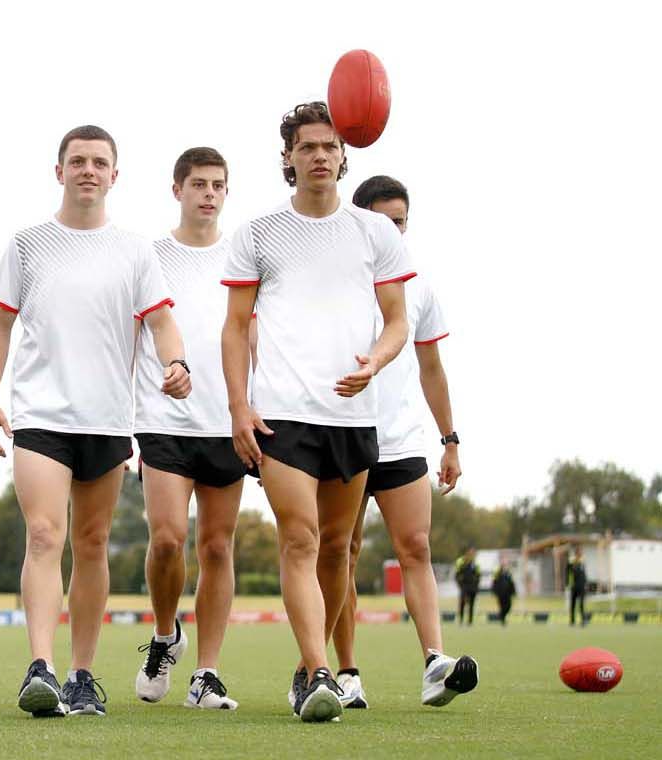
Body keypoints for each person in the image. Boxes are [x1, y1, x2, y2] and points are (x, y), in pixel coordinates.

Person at [0, 125, 190, 718]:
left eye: (100, 162)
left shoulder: (135, 251)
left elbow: (161, 322)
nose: (89, 171)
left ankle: (80, 675)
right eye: (78, 161)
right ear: (60, 170)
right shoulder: (28, 245)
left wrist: (176, 362)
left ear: (115, 176)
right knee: (45, 535)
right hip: (41, 416)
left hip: (106, 420)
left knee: (92, 543)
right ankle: (40, 668)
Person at [221, 102, 412, 723]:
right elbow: (235, 327)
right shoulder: (257, 233)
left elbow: (397, 322)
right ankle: (320, 669)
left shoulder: (375, 232)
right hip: (282, 416)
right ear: (288, 158)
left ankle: (306, 672)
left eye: (329, 146)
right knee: (299, 538)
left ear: (344, 154)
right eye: (308, 147)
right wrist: (238, 407)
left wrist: (375, 362)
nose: (320, 156)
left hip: (355, 416)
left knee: (337, 549)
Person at [329, 175, 477, 709]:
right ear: (360, 222)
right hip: (341, 435)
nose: (394, 232)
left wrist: (451, 441)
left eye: (402, 222)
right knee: (341, 554)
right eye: (384, 222)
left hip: (402, 441)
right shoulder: (331, 280)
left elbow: (431, 369)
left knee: (415, 547)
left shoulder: (419, 287)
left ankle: (435, 662)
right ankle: (345, 673)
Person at [131, 147, 245, 711]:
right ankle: (163, 634)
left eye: (218, 185)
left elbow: (257, 335)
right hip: (162, 421)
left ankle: (207, 673)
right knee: (168, 538)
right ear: (177, 189)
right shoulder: (149, 256)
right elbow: (135, 335)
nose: (209, 193)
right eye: (199, 183)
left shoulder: (244, 256)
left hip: (228, 421)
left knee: (218, 547)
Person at [454, 547, 480, 626]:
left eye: (474, 552)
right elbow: (457, 575)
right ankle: (461, 620)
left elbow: (478, 575)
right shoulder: (461, 562)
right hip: (464, 587)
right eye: (471, 552)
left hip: (473, 587)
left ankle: (470, 621)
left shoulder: (475, 563)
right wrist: (460, 585)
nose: (472, 554)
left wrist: (476, 585)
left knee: (471, 604)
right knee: (462, 603)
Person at [566, 548, 589, 626]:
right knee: (572, 604)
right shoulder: (571, 562)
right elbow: (567, 573)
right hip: (574, 586)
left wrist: (586, 584)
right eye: (578, 553)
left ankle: (583, 620)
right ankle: (572, 621)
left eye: (580, 553)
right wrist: (567, 584)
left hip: (582, 586)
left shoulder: (582, 562)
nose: (580, 554)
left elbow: (584, 575)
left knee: (581, 604)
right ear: (576, 554)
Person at [492, 560, 516, 626]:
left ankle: (501, 616)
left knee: (508, 606)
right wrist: (495, 591)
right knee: (502, 606)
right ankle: (503, 620)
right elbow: (494, 583)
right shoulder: (497, 574)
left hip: (508, 593)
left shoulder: (509, 573)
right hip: (500, 593)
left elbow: (512, 583)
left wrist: (513, 591)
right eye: (504, 565)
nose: (505, 566)